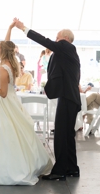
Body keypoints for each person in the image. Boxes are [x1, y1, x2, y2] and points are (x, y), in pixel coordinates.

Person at [0, 23, 54, 185]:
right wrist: (10, 28)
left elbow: (2, 92)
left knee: (5, 132)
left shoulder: (3, 68)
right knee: (12, 131)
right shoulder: (9, 61)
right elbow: (7, 43)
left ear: (2, 51)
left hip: (4, 103)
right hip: (10, 101)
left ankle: (8, 168)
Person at [11, 18, 78, 181]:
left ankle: (60, 170)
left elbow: (44, 41)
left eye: (58, 38)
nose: (55, 41)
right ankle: (71, 168)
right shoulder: (69, 52)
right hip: (71, 97)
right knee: (67, 135)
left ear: (65, 39)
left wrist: (23, 28)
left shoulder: (65, 47)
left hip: (68, 98)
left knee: (61, 135)